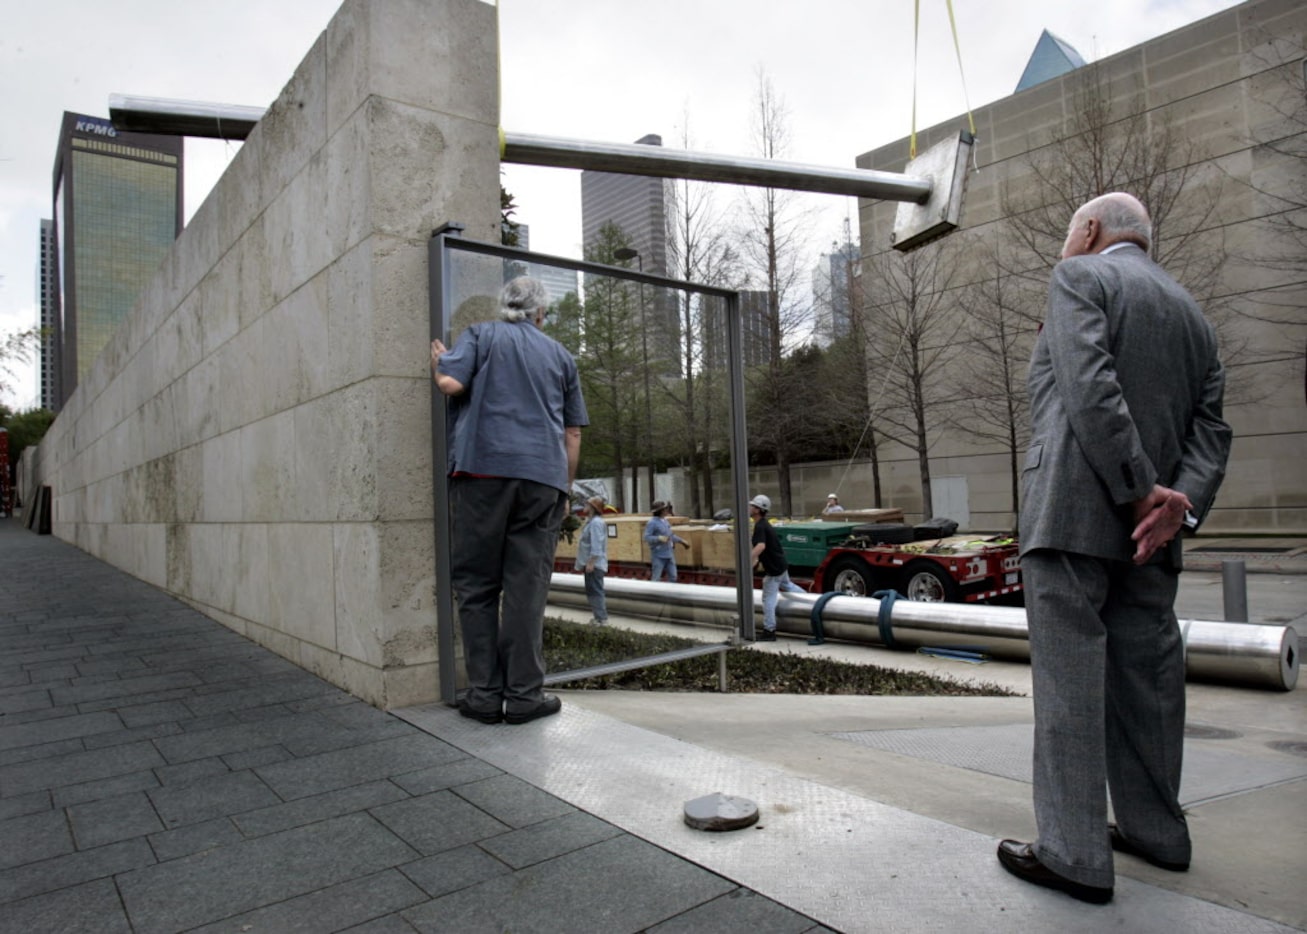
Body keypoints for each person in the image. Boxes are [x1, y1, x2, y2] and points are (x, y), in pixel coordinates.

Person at [997, 193, 1231, 904]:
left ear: (1090, 230)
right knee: (1148, 685)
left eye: (1071, 231)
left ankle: (1071, 852)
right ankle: (1157, 832)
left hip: (1072, 512)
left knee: (1069, 684)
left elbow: (1089, 388)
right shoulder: (1192, 316)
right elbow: (1211, 433)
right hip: (1150, 540)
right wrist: (1174, 511)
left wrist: (1137, 492)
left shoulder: (1079, 279)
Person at [431, 276, 588, 726]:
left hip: (482, 472)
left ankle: (483, 696)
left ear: (505, 308)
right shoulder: (561, 355)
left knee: (478, 586)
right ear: (540, 314)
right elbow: (572, 433)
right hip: (542, 479)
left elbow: (449, 386)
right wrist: (565, 488)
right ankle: (524, 697)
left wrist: (442, 364)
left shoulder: (480, 335)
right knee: (526, 588)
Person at [748, 494, 805, 641]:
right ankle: (813, 600)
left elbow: (761, 546)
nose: (749, 508)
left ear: (758, 510)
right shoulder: (763, 524)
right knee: (788, 585)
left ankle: (769, 630)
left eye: (752, 506)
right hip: (780, 565)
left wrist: (747, 560)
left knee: (768, 599)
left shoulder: (760, 526)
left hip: (774, 570)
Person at [574, 495, 610, 626]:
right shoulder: (592, 522)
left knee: (595, 591)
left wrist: (591, 562)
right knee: (593, 590)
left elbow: (597, 545)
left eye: (587, 505)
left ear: (593, 508)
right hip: (592, 564)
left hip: (594, 565)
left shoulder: (595, 523)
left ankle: (601, 619)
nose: (585, 506)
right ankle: (599, 617)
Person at [643, 500, 688, 582]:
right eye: (665, 509)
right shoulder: (652, 523)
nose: (666, 511)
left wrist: (681, 541)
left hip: (669, 553)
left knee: (673, 576)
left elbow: (670, 535)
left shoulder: (665, 521)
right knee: (656, 577)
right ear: (660, 511)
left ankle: (669, 593)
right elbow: (646, 537)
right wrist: (658, 538)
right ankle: (654, 593)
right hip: (658, 555)